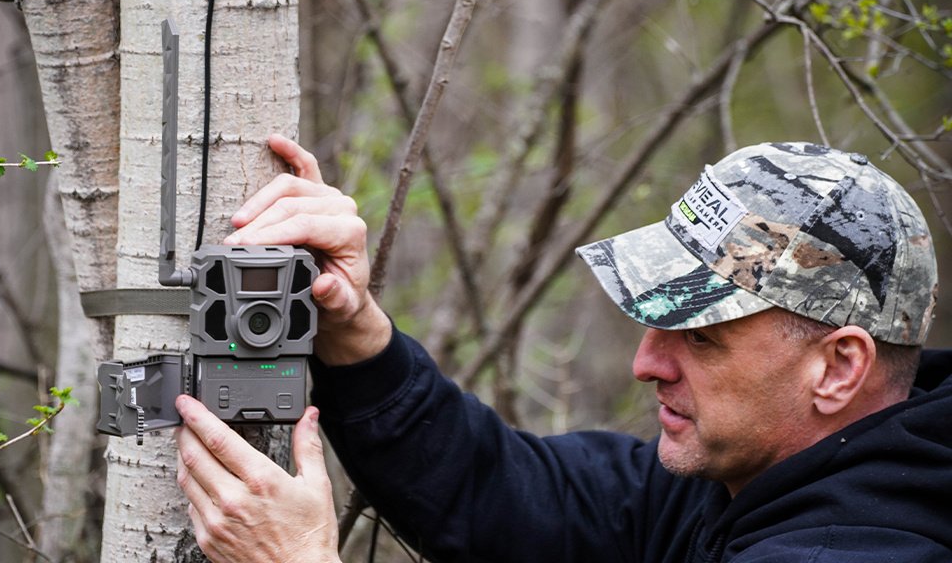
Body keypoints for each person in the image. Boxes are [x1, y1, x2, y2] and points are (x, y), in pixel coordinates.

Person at [176, 135, 952, 563]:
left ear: (840, 366)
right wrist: (356, 334)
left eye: (703, 339)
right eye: (653, 324)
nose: (647, 364)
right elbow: (506, 496)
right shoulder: (744, 476)